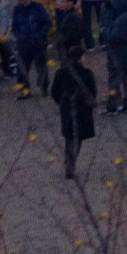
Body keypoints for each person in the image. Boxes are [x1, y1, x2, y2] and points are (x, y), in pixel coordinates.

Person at [50, 48, 98, 180]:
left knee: (69, 137)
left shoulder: (61, 73)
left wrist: (62, 103)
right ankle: (70, 164)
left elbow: (54, 92)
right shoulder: (87, 73)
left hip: (67, 110)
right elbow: (92, 92)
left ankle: (69, 164)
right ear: (80, 57)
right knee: (78, 138)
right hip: (82, 110)